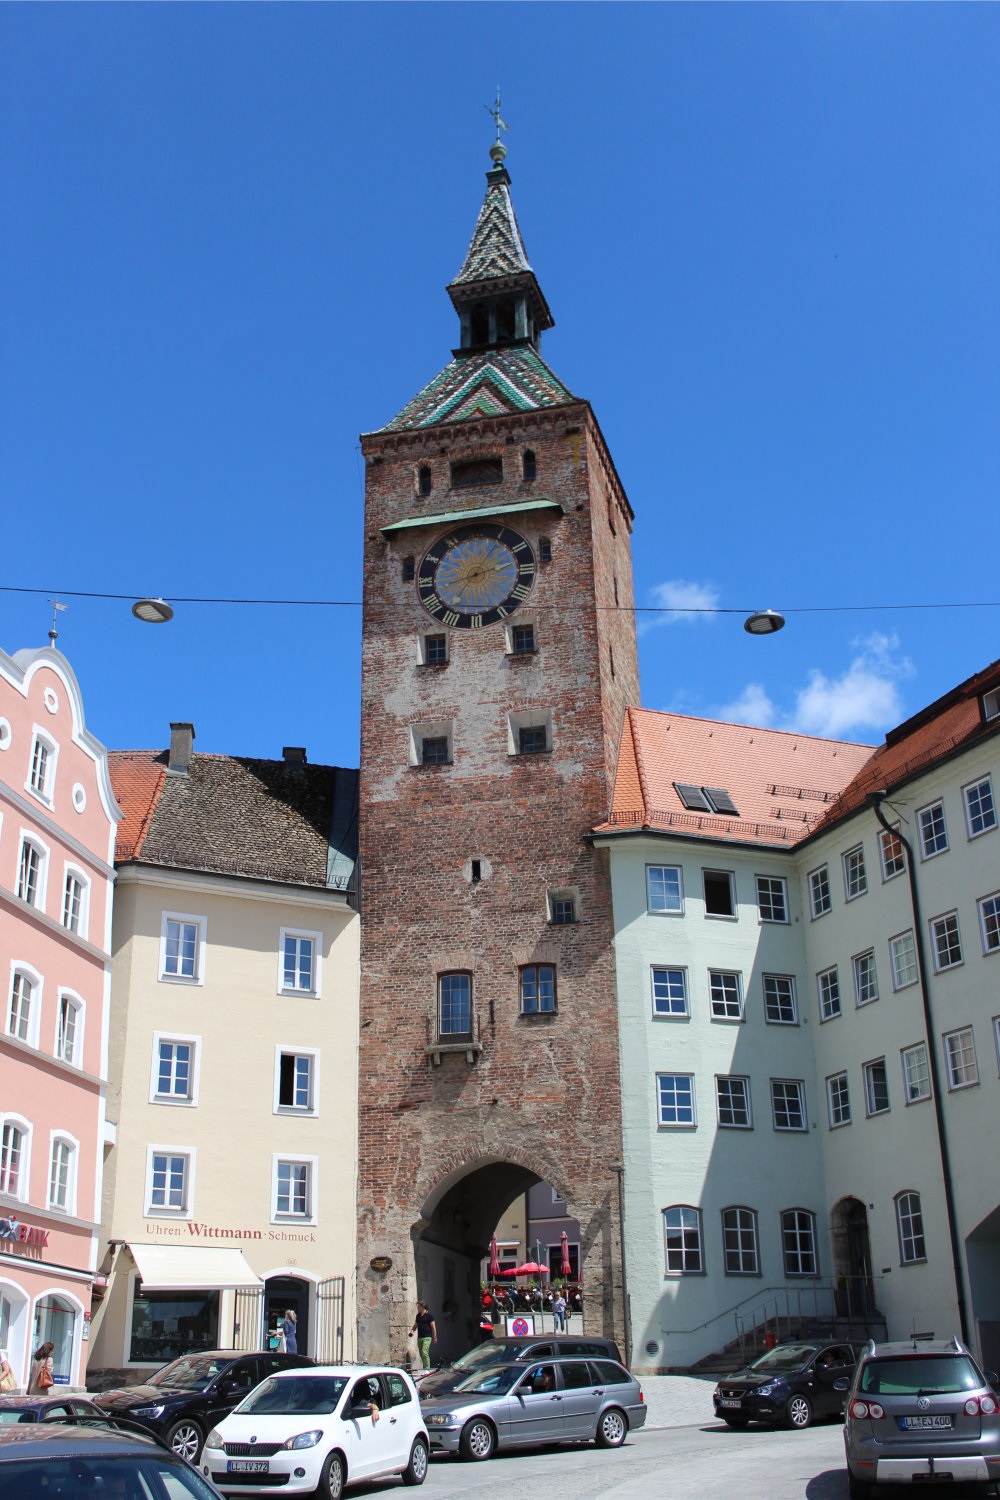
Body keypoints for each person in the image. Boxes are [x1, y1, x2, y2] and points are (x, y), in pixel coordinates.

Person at [409, 1301, 437, 1370]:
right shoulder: (418, 1316)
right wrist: (412, 1331)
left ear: (422, 1307)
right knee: (421, 1354)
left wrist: (434, 1337)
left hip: (427, 1337)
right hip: (420, 1338)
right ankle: (425, 1367)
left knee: (424, 1352)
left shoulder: (429, 1316)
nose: (417, 1308)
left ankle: (427, 1369)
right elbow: (415, 1325)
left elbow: (433, 1327)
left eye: (418, 1306)